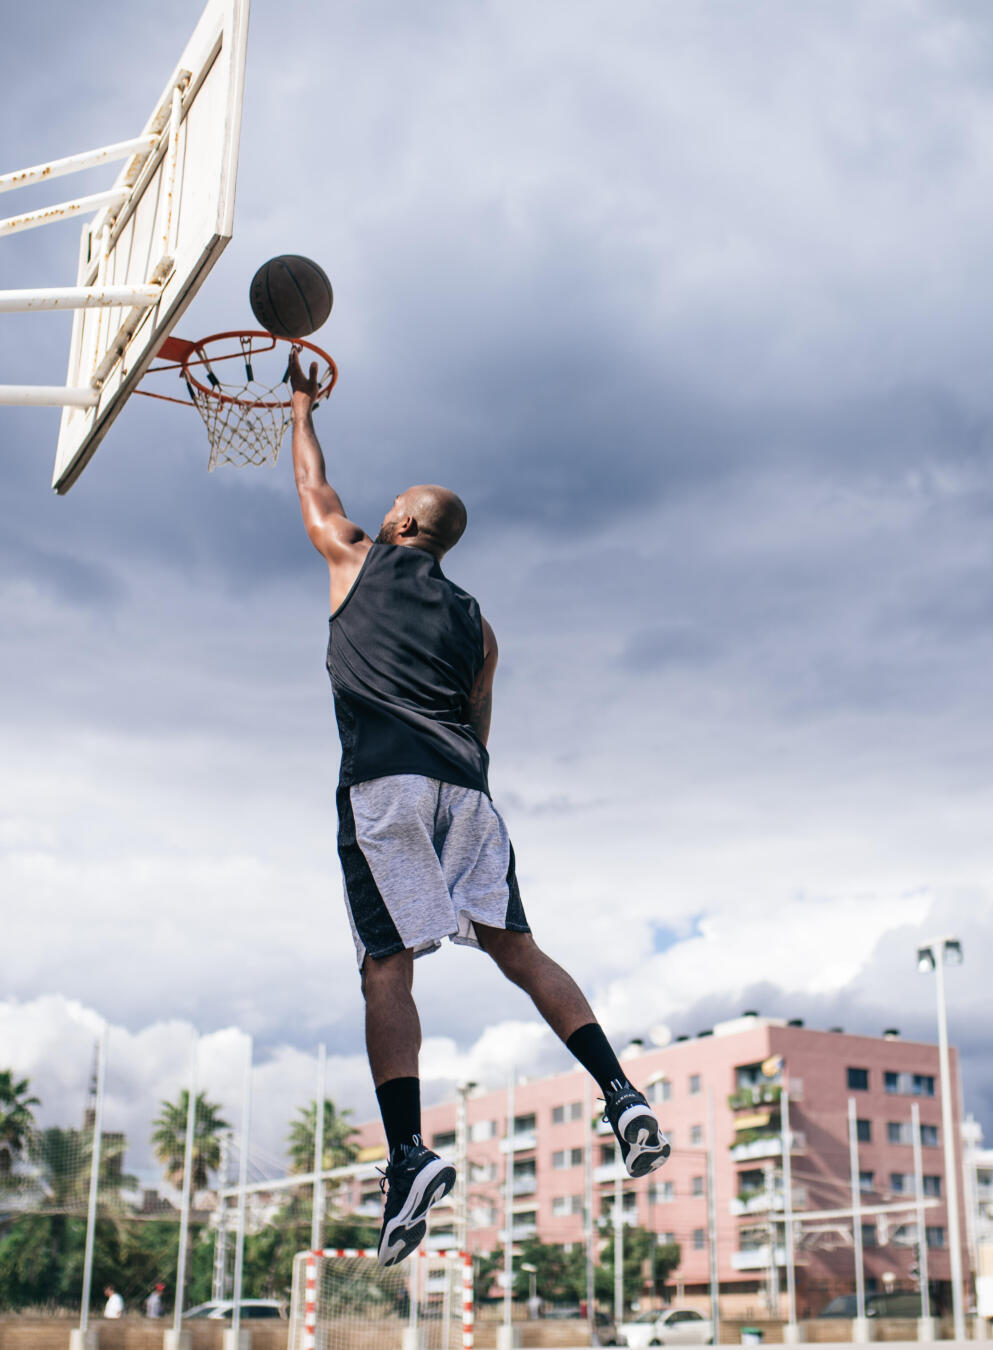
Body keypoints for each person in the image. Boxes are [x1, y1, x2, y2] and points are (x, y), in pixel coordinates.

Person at [287, 354, 670, 1268]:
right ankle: (621, 1092)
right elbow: (483, 722)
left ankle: (410, 1156)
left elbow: (310, 484)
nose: (380, 510)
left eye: (395, 505)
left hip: (387, 784)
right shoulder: (480, 624)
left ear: (407, 523)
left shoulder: (355, 555)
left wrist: (300, 404)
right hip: (469, 789)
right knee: (517, 951)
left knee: (387, 969)